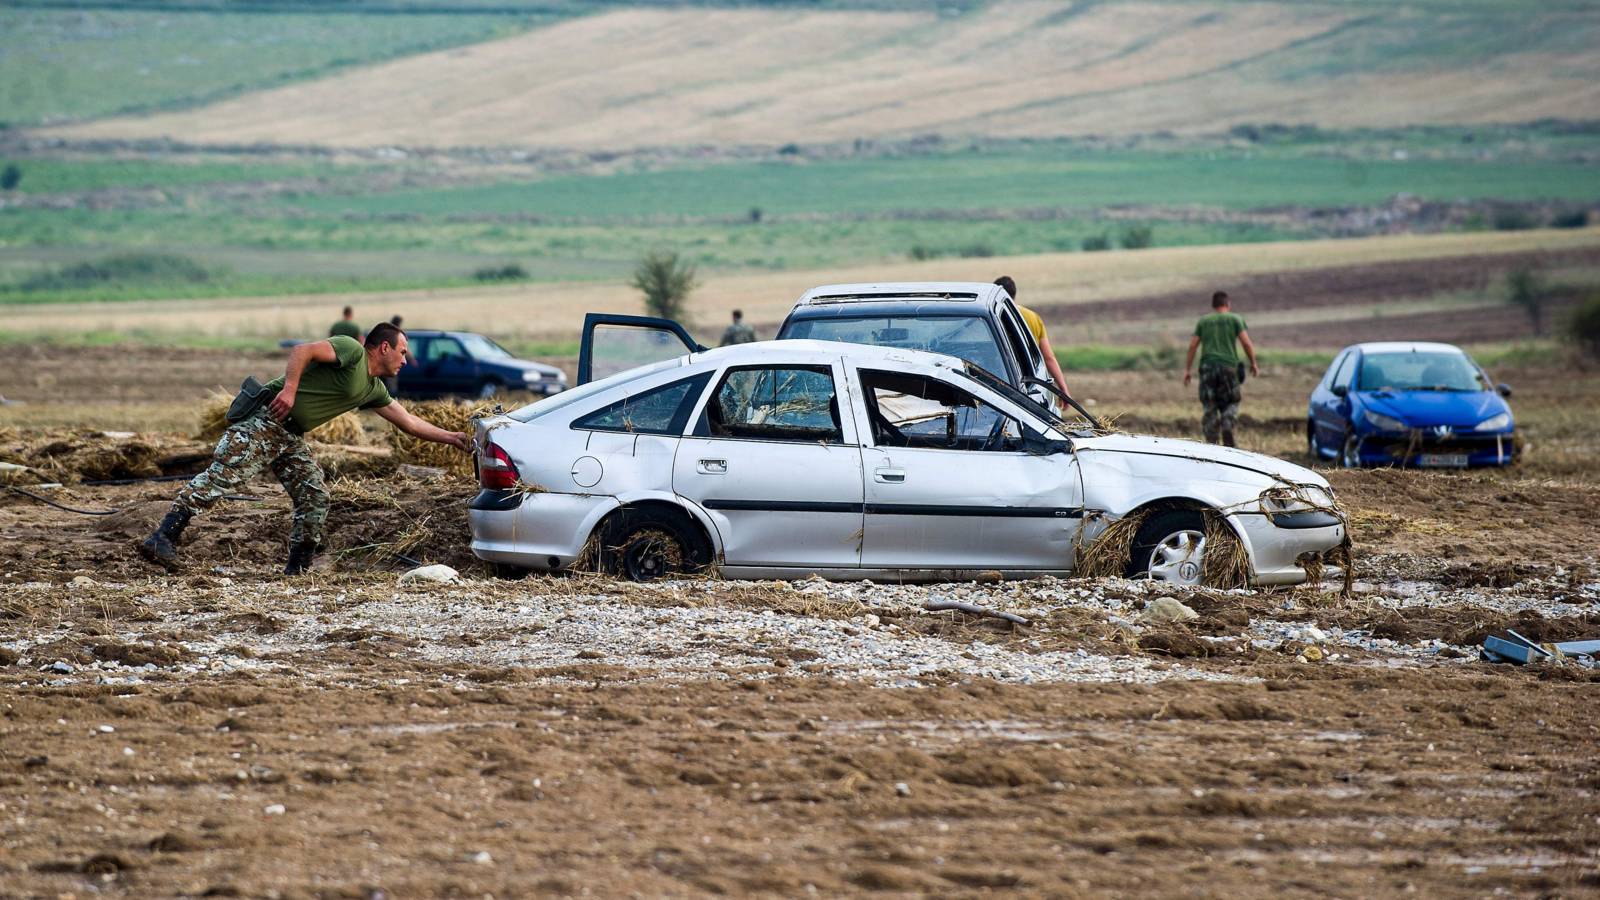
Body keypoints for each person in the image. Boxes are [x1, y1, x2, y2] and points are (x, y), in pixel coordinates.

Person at [140, 324, 469, 575]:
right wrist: (290, 389)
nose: (406, 360)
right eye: (402, 352)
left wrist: (452, 437)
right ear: (384, 347)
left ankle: (297, 570)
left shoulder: (372, 388)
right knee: (223, 478)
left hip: (289, 436)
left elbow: (409, 422)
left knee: (314, 495)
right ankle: (162, 537)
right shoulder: (350, 351)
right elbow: (303, 351)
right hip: (266, 421)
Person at [1183, 291, 1259, 447]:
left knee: (1209, 404)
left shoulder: (1203, 321)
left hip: (1207, 368)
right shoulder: (1235, 319)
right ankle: (1227, 425)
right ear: (1228, 304)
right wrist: (1253, 363)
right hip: (1228, 367)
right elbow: (1246, 343)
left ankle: (1212, 441)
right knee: (1232, 401)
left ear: (1213, 305)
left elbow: (1192, 346)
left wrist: (1187, 370)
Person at [994, 276, 1071, 400]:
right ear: (1014, 293)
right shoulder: (1033, 317)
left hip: (1007, 379)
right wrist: (1063, 388)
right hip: (1031, 380)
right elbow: (1048, 357)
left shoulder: (996, 318)